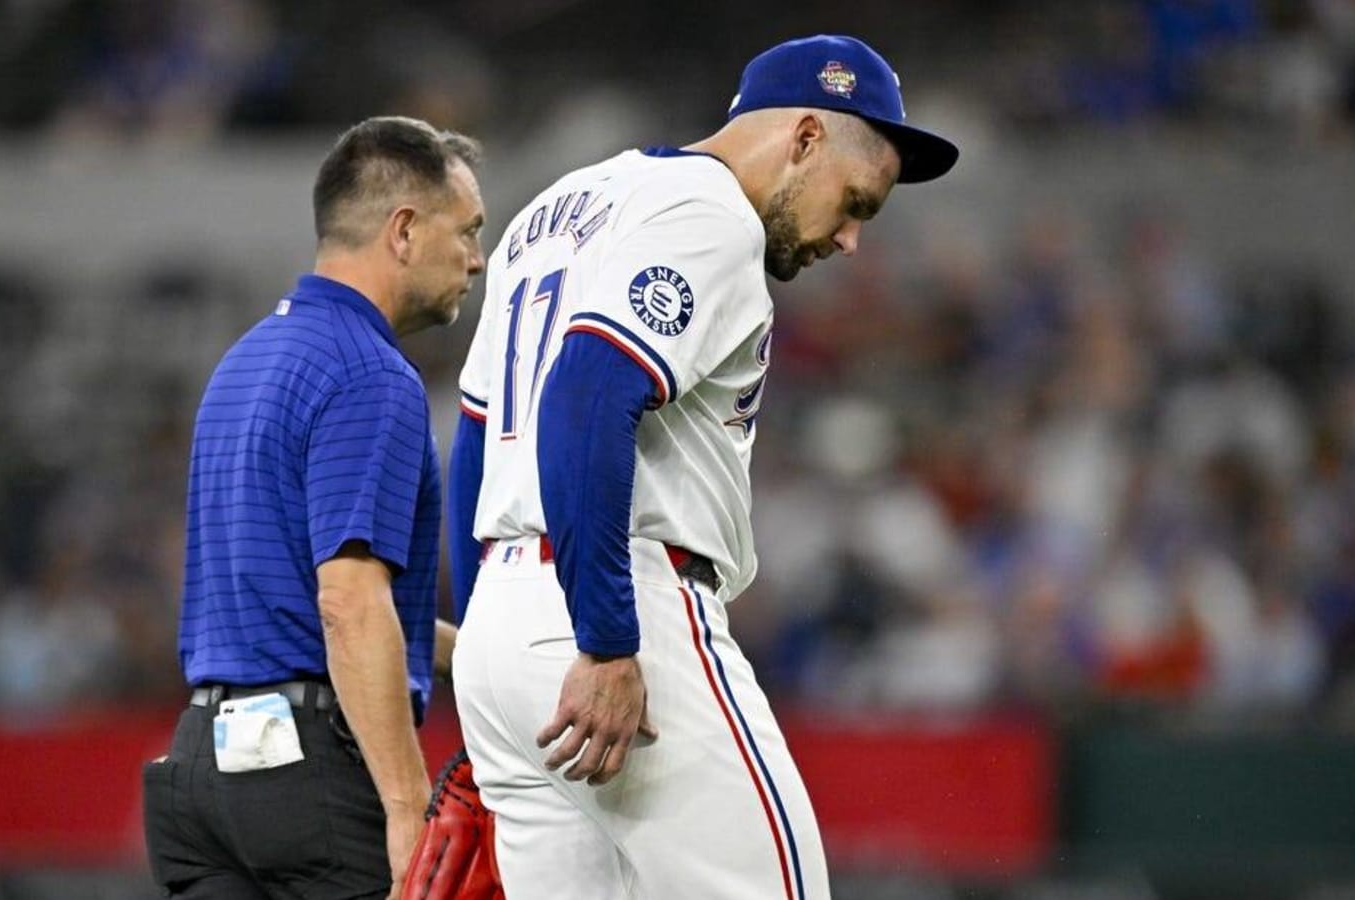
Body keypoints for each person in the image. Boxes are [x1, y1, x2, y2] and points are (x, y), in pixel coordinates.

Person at [446, 35, 958, 899]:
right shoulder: (711, 212)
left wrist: (488, 642)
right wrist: (605, 640)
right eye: (855, 200)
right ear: (803, 138)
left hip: (504, 615)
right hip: (618, 603)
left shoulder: (560, 205)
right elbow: (586, 395)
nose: (851, 237)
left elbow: (474, 441)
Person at [144, 115, 487, 900]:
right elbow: (347, 603)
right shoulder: (371, 373)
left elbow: (304, 596)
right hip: (312, 782)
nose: (476, 258)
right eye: (466, 231)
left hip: (202, 766)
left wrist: (477, 657)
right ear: (403, 230)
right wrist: (406, 808)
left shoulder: (246, 359)